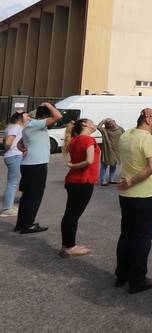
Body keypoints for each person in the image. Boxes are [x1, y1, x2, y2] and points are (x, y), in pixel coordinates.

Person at [115, 108, 152, 294]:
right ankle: (137, 280)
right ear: (149, 119)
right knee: (143, 238)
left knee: (126, 234)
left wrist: (128, 182)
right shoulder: (149, 140)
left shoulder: (126, 135)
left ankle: (121, 275)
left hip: (126, 196)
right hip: (146, 195)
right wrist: (132, 180)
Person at [15, 102, 62, 234]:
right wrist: (48, 104)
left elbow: (19, 143)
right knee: (34, 196)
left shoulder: (28, 126)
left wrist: (23, 148)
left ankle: (21, 223)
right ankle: (28, 224)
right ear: (46, 115)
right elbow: (58, 116)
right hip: (37, 165)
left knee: (26, 196)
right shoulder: (36, 124)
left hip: (28, 164)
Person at [60, 118, 101, 258]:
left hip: (73, 181)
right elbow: (89, 161)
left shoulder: (75, 139)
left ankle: (67, 245)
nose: (94, 123)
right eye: (92, 121)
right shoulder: (88, 140)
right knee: (73, 215)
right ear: (84, 124)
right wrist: (73, 166)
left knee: (70, 214)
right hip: (83, 181)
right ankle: (70, 247)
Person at [2, 112, 28, 218]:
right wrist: (11, 149)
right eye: (26, 116)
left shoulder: (12, 127)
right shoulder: (16, 127)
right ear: (20, 118)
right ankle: (7, 208)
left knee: (13, 182)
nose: (28, 118)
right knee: (12, 183)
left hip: (12, 156)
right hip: (14, 156)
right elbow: (8, 143)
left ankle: (9, 206)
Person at [98, 118, 124, 186]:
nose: (111, 124)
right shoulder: (105, 130)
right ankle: (102, 181)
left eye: (111, 122)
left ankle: (111, 179)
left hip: (117, 150)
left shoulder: (120, 128)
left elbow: (125, 136)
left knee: (113, 165)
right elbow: (98, 127)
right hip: (108, 150)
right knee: (104, 164)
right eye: (108, 124)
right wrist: (103, 121)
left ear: (114, 121)